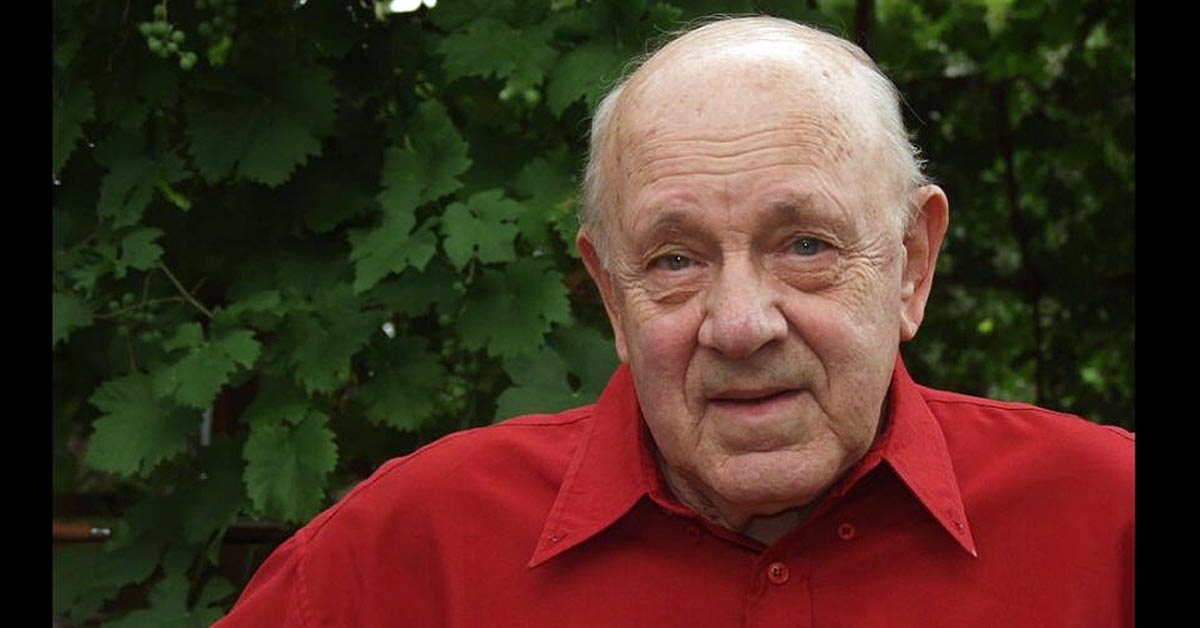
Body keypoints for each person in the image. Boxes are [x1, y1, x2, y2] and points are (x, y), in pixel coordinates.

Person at [214, 16, 1133, 628]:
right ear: (610, 294)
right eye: (675, 260)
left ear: (912, 264)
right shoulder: (415, 548)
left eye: (805, 245)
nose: (740, 325)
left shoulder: (1111, 524)